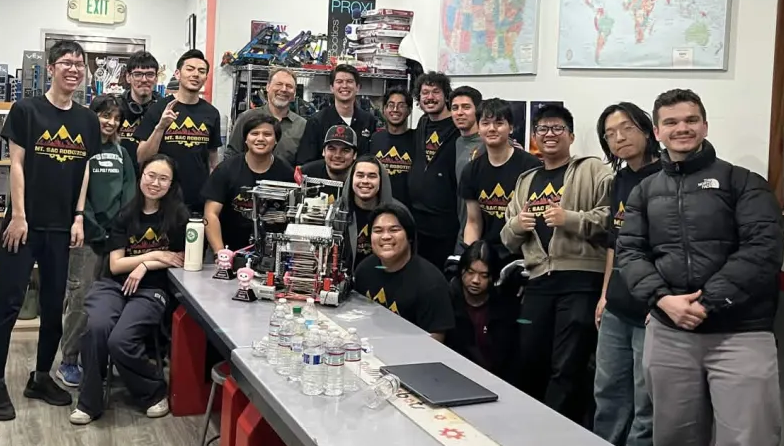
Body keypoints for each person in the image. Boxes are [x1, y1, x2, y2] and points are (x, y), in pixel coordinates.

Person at [617, 89, 783, 446]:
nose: (682, 128)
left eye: (691, 120)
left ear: (705, 126)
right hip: (669, 332)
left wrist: (706, 302)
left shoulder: (744, 182)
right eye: (671, 122)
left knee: (749, 437)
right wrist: (663, 300)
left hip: (740, 334)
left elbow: (763, 250)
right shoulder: (644, 191)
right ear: (657, 132)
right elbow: (629, 253)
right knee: (673, 437)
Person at [0, 40, 100, 420]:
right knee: (8, 304)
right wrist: (18, 215)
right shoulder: (27, 110)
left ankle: (41, 377)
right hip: (23, 226)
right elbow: (17, 164)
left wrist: (79, 216)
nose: (74, 69)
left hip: (62, 228)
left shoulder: (87, 120)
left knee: (54, 305)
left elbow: (85, 169)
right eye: (67, 62)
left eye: (79, 64)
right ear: (52, 67)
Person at [500, 104, 612, 423]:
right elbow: (507, 237)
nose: (550, 134)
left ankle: (556, 431)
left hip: (581, 278)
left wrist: (571, 219)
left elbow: (613, 219)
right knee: (530, 358)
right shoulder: (526, 179)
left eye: (557, 128)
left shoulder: (593, 169)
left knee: (568, 365)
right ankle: (530, 425)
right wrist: (517, 226)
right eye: (543, 129)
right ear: (534, 137)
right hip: (538, 279)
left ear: (571, 136)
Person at [69, 154, 189, 425]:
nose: (155, 183)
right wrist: (154, 255)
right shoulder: (125, 214)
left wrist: (144, 266)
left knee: (120, 340)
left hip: (152, 290)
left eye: (163, 179)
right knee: (97, 328)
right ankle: (88, 402)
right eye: (150, 176)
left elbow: (181, 258)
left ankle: (153, 391)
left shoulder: (179, 217)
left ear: (171, 184)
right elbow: (116, 264)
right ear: (140, 176)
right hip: (113, 285)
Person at [57, 95, 137, 388]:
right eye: (105, 115)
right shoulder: (82, 150)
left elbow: (130, 191)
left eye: (116, 118)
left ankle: (96, 359)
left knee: (109, 302)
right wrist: (94, 226)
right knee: (80, 300)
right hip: (88, 238)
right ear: (93, 116)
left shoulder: (122, 153)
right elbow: (77, 197)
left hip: (115, 240)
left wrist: (119, 229)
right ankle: (68, 360)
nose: (111, 122)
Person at [592, 102, 659, 446]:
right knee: (608, 393)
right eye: (610, 134)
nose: (619, 137)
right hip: (617, 305)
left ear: (647, 130)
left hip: (651, 309)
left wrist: (659, 301)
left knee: (646, 401)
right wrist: (605, 294)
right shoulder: (620, 179)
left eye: (627, 128)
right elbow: (613, 243)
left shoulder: (668, 176)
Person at [134, 49, 222, 213]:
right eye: (190, 69)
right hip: (161, 199)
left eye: (201, 71)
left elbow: (212, 162)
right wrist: (161, 127)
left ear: (205, 77)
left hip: (198, 201)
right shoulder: (158, 109)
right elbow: (142, 157)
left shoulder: (212, 113)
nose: (195, 74)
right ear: (177, 74)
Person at [353, 202, 455, 342]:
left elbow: (435, 340)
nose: (385, 236)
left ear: (409, 236)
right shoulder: (364, 270)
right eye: (378, 231)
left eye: (394, 230)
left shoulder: (431, 283)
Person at [460, 98, 540, 264]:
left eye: (499, 123)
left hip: (523, 255)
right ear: (478, 128)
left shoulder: (531, 166)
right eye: (485, 123)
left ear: (511, 127)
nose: (492, 129)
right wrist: (470, 258)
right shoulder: (471, 170)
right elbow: (473, 222)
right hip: (487, 256)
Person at [203, 115, 295, 253]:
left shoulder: (286, 173)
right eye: (254, 133)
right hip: (230, 250)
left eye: (267, 134)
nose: (260, 139)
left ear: (276, 140)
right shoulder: (226, 170)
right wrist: (220, 252)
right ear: (246, 139)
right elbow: (211, 214)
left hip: (273, 253)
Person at [445, 240, 518, 383]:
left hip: (496, 380)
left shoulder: (504, 306)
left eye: (484, 275)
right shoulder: (448, 299)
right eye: (470, 272)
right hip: (454, 377)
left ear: (492, 277)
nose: (475, 280)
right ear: (461, 270)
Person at [408, 71, 460, 270]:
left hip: (445, 225)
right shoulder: (423, 122)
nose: (430, 97)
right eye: (425, 93)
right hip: (418, 222)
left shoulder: (458, 126)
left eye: (435, 92)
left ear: (446, 96)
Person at [295, 64, 376, 164]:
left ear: (358, 87)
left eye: (349, 81)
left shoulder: (369, 120)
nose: (344, 86)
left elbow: (371, 159)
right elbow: (305, 162)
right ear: (332, 88)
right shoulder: (317, 121)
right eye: (339, 81)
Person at [225, 68, 306, 165]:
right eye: (279, 84)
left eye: (289, 86)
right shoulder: (247, 118)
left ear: (294, 93)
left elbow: (303, 164)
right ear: (268, 87)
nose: (283, 89)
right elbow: (232, 155)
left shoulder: (302, 126)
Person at [338, 155, 401, 271]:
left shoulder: (399, 214)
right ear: (351, 178)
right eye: (360, 175)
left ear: (381, 180)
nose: (365, 181)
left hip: (384, 275)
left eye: (372, 176)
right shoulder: (337, 211)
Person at [451, 86, 484, 253]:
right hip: (462, 229)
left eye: (466, 107)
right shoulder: (457, 142)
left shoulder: (487, 144)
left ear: (477, 110)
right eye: (455, 108)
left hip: (483, 233)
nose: (459, 113)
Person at [369, 86, 415, 206]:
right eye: (391, 105)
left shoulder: (417, 138)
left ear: (409, 110)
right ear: (384, 109)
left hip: (409, 208)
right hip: (379, 206)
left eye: (401, 105)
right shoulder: (375, 138)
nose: (395, 109)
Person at [118, 51, 161, 175]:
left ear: (156, 78)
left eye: (150, 74)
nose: (144, 80)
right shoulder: (115, 107)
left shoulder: (164, 109)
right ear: (128, 77)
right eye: (137, 74)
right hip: (120, 177)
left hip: (154, 178)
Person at [301, 125, 357, 202]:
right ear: (323, 151)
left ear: (355, 155)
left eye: (345, 150)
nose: (337, 155)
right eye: (332, 149)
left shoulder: (363, 178)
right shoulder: (306, 173)